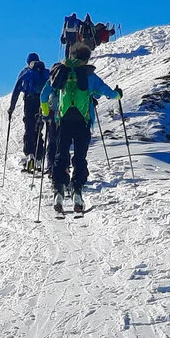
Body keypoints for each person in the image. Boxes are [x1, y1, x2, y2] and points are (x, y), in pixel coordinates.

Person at [40, 46, 121, 214]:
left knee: (60, 155)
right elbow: (109, 93)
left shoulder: (59, 72)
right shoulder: (88, 74)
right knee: (79, 157)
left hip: (62, 122)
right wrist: (118, 95)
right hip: (83, 122)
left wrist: (47, 112)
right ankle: (77, 191)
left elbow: (43, 95)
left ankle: (59, 191)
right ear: (86, 59)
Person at [8, 52, 50, 173]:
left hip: (29, 101)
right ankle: (39, 159)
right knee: (39, 129)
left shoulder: (26, 72)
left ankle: (30, 156)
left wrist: (11, 108)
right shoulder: (45, 72)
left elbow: (16, 89)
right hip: (42, 102)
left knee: (29, 128)